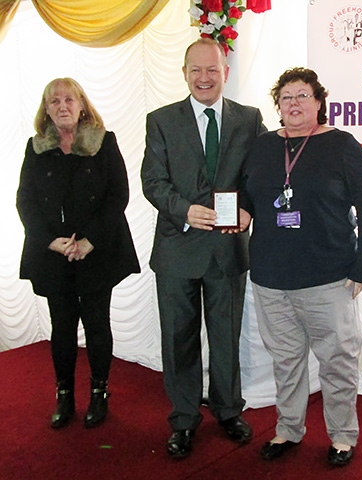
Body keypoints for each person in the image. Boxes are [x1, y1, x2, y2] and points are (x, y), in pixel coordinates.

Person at [242, 67, 362, 467]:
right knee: (286, 361)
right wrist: (241, 214)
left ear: (319, 102)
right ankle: (288, 429)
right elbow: (249, 196)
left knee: (337, 362)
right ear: (278, 106)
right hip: (270, 276)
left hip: (328, 276)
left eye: (304, 95)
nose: (295, 103)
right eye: (287, 97)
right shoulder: (263, 146)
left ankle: (342, 436)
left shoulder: (342, 145)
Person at [141, 38, 267, 459]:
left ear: (225, 72)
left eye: (211, 69)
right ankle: (183, 417)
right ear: (184, 73)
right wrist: (184, 210)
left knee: (227, 336)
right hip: (177, 248)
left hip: (228, 249)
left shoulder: (249, 120)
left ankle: (229, 410)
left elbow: (260, 176)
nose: (204, 78)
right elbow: (152, 181)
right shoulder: (160, 120)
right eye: (195, 70)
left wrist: (248, 209)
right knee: (178, 339)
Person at [16, 77, 140, 429]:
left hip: (97, 251)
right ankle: (65, 394)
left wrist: (89, 241)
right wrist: (50, 240)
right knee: (62, 328)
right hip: (53, 253)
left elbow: (118, 196)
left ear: (82, 105)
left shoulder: (104, 143)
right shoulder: (35, 147)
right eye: (54, 101)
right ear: (46, 109)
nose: (62, 106)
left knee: (98, 324)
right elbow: (24, 201)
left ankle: (99, 393)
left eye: (69, 99)